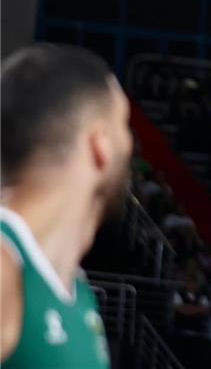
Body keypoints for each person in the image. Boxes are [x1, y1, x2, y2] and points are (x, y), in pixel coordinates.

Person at [0, 44, 134, 368]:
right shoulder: (3, 267)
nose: (131, 144)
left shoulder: (75, 288)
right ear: (99, 144)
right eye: (125, 126)